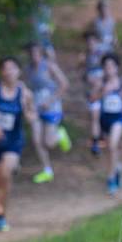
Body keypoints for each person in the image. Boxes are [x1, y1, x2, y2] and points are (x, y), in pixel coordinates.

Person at [0, 56, 37, 232]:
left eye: (13, 68)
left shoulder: (25, 94)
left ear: (19, 71)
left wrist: (28, 114)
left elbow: (32, 115)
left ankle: (1, 214)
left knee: (5, 174)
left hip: (14, 140)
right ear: (1, 72)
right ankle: (1, 201)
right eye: (5, 68)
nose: (9, 71)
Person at [25, 43, 70, 184]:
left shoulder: (50, 66)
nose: (34, 56)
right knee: (36, 139)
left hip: (52, 107)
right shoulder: (28, 70)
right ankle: (47, 169)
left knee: (49, 142)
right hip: (37, 108)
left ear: (41, 53)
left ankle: (60, 134)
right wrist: (29, 106)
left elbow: (64, 84)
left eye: (37, 53)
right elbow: (27, 89)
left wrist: (50, 101)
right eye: (32, 53)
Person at [93, 53, 122, 195]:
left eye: (112, 66)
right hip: (104, 119)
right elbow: (93, 98)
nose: (109, 68)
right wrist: (103, 92)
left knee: (113, 145)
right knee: (110, 150)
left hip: (118, 118)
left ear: (117, 67)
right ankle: (117, 168)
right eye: (106, 66)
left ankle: (111, 179)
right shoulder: (100, 82)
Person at [82, 30, 107, 155]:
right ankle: (95, 142)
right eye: (88, 42)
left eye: (92, 41)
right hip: (91, 92)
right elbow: (84, 75)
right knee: (94, 116)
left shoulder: (104, 55)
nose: (90, 44)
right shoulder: (85, 57)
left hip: (104, 91)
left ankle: (101, 137)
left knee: (101, 116)